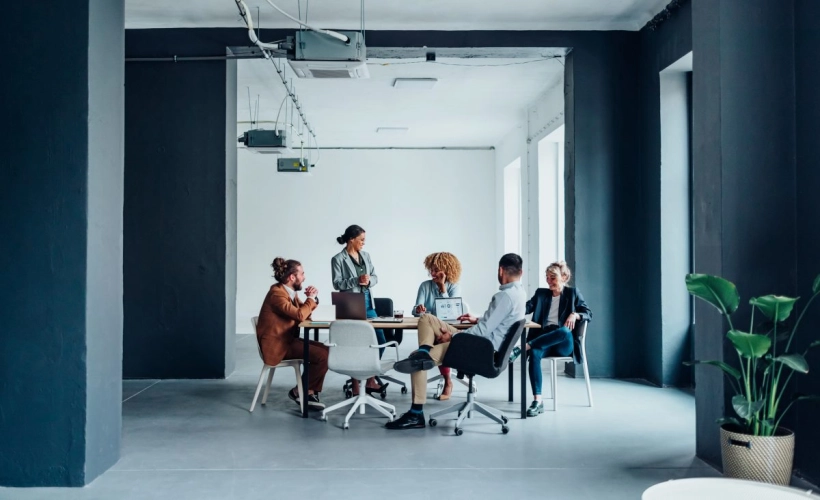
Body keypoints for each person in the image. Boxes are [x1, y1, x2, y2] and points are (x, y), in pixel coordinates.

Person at [386, 253, 527, 430]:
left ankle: (416, 414)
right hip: (488, 346)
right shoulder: (519, 293)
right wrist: (478, 319)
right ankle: (423, 351)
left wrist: (452, 337)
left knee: (418, 364)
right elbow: (497, 322)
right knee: (427, 319)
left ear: (500, 270)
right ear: (521, 272)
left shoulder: (503, 297)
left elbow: (482, 332)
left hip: (481, 349)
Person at [509, 260, 592, 417]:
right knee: (534, 353)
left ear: (563, 277)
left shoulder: (572, 293)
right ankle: (537, 401)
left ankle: (523, 347)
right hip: (544, 339)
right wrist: (513, 301)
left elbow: (588, 313)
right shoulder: (541, 294)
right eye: (547, 277)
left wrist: (575, 314)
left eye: (552, 277)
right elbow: (525, 308)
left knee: (565, 331)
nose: (548, 281)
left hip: (563, 343)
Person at [256, 257, 328, 410]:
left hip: (288, 340)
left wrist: (312, 299)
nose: (305, 277)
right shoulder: (277, 294)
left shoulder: (288, 293)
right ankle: (302, 392)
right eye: (302, 273)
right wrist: (310, 299)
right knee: (323, 356)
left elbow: (304, 313)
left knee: (327, 350)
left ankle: (305, 391)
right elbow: (301, 315)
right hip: (278, 346)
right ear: (292, 277)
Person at [330, 224, 387, 396]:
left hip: (369, 303)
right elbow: (337, 283)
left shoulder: (366, 256)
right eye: (361, 240)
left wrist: (368, 281)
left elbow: (375, 277)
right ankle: (356, 383)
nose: (364, 243)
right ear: (351, 239)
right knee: (354, 343)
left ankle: (369, 379)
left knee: (379, 339)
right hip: (350, 303)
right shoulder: (338, 259)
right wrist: (356, 280)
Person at [413, 252, 463, 401]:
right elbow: (416, 310)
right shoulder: (425, 286)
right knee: (434, 334)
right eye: (431, 270)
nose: (432, 273)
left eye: (436, 270)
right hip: (429, 326)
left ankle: (447, 379)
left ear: (446, 271)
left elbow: (450, 313)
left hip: (446, 327)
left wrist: (442, 288)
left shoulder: (454, 287)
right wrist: (418, 309)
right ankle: (427, 356)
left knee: (440, 336)